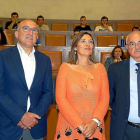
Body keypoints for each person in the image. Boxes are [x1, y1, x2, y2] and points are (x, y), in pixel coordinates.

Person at [0, 20, 53, 140]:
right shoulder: (2, 56)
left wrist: (33, 117)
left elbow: (48, 92)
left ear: (37, 36)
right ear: (16, 34)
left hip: (35, 126)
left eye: (34, 30)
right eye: (25, 29)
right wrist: (20, 116)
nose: (30, 32)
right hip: (9, 126)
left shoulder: (45, 60)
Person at [54, 32, 109, 140]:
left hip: (94, 128)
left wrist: (95, 122)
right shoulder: (64, 68)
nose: (87, 44)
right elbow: (60, 99)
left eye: (90, 42)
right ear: (75, 47)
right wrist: (80, 125)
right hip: (69, 126)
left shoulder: (100, 68)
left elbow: (104, 99)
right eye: (83, 41)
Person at [108, 31, 140, 140]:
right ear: (126, 47)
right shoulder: (115, 69)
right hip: (124, 130)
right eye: (132, 43)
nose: (137, 47)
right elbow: (111, 99)